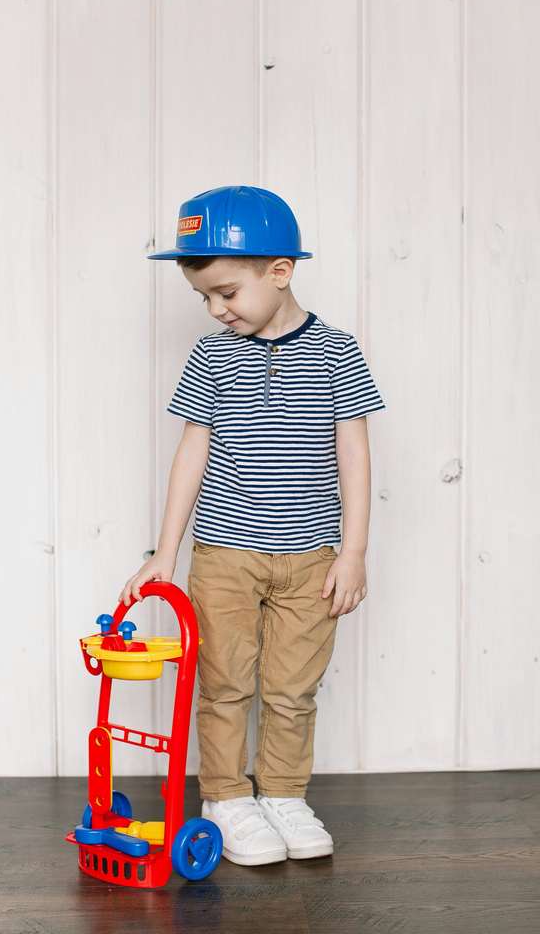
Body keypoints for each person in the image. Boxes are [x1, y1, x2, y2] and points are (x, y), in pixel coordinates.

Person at [118, 185, 387, 866]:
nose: (217, 309)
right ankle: (227, 797)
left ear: (280, 271)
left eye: (227, 292)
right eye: (204, 297)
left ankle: (284, 794)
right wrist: (166, 552)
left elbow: (354, 454)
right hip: (224, 556)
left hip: (312, 558)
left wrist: (353, 552)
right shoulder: (212, 357)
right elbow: (192, 452)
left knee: (293, 689)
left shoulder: (337, 352)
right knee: (225, 683)